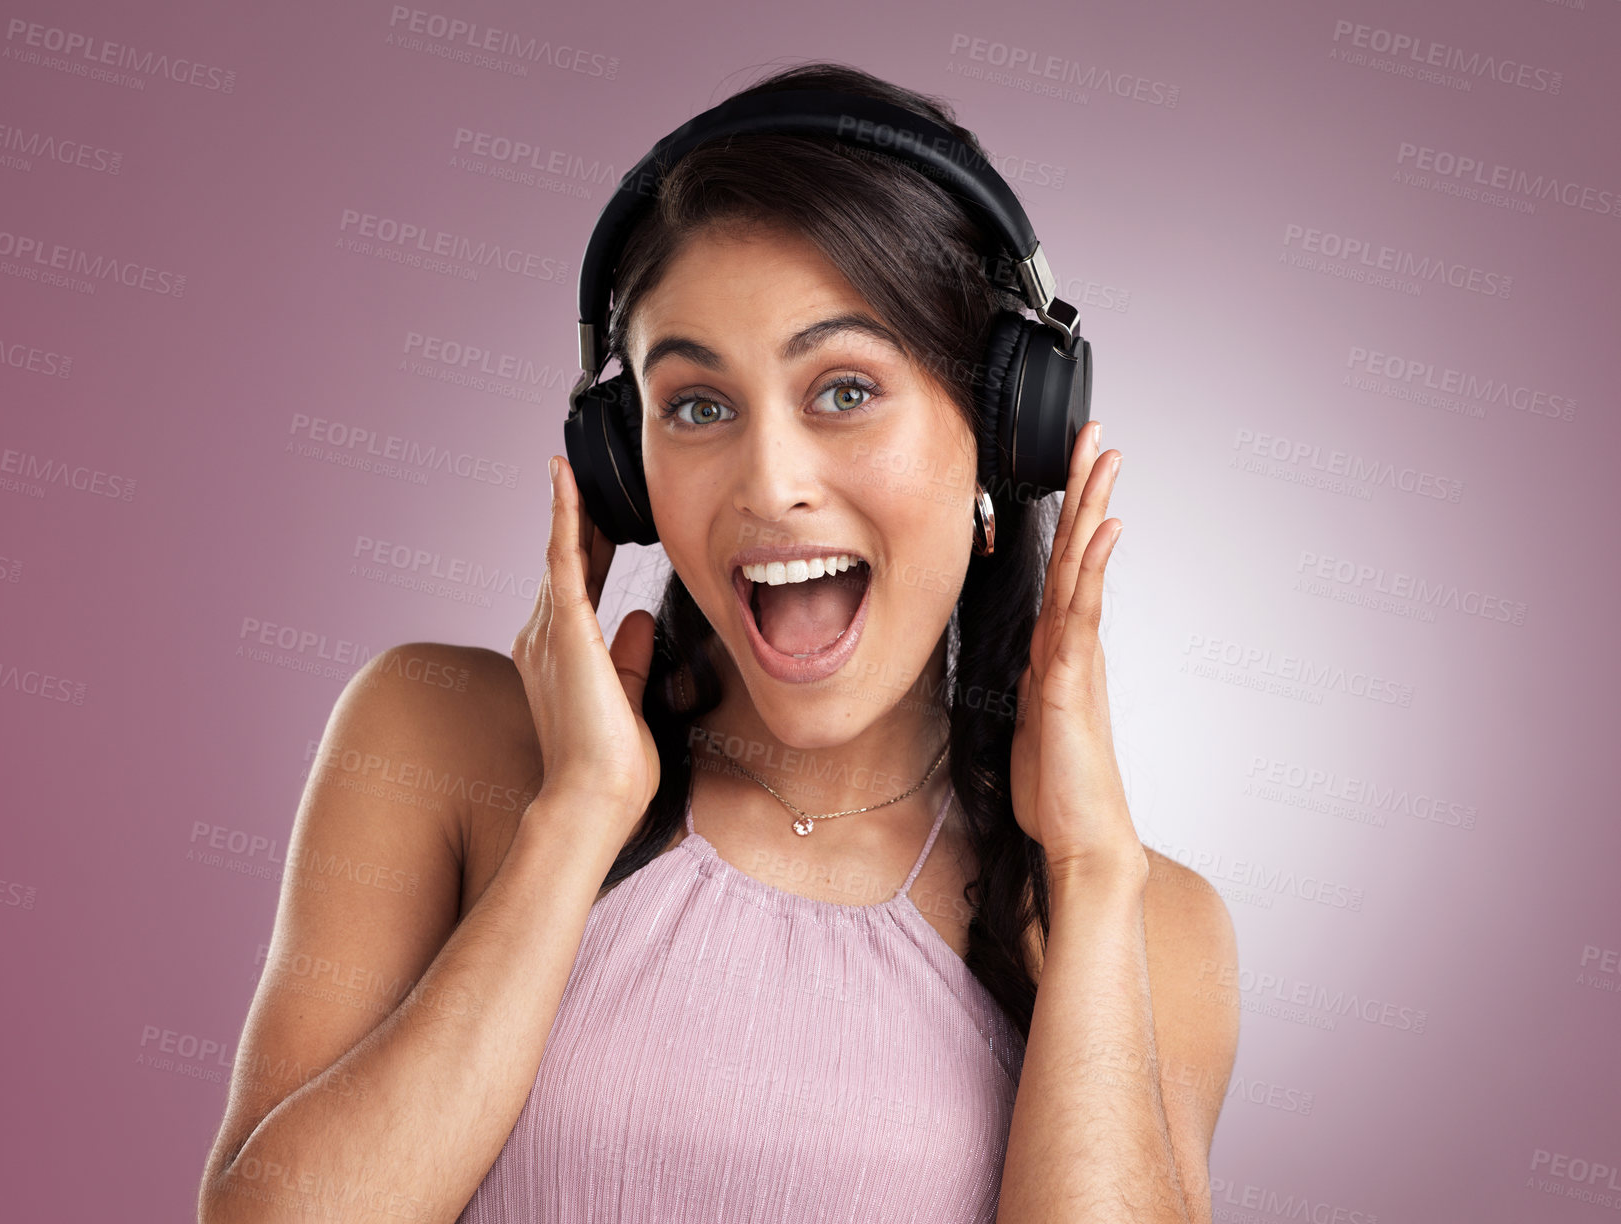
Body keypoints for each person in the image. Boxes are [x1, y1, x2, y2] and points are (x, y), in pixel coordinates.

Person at [197, 61, 1239, 1224]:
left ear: (1004, 434)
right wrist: (575, 819)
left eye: (844, 390)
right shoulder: (440, 738)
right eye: (697, 405)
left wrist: (1090, 877)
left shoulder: (1147, 923)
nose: (770, 483)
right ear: (621, 466)